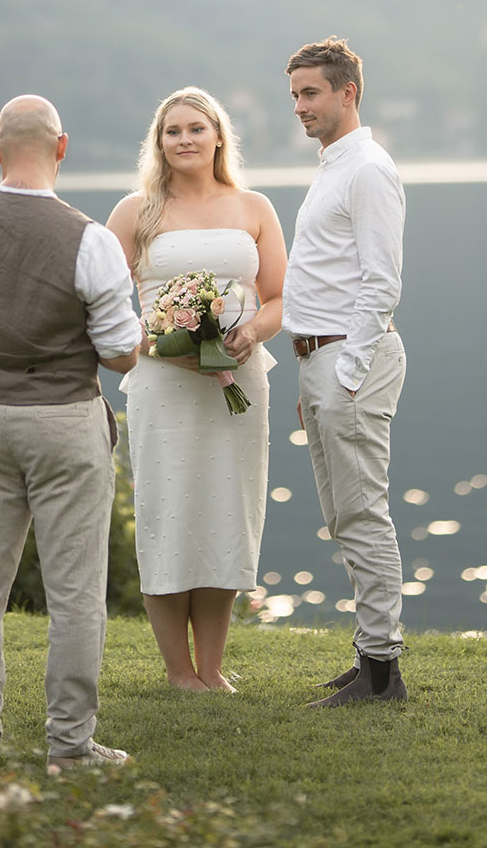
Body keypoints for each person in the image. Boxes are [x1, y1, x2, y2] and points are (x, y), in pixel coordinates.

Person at [0, 94, 142, 770]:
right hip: (65, 421)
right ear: (62, 148)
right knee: (74, 595)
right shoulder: (90, 239)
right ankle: (70, 747)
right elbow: (121, 353)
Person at [106, 87, 286, 692]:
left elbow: (280, 298)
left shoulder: (254, 206)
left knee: (225, 515)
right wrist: (162, 346)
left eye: (194, 128)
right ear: (157, 143)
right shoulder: (136, 212)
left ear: (217, 137)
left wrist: (251, 333)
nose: (183, 139)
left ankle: (213, 668)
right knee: (169, 517)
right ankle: (180, 672)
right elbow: (105, 306)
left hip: (238, 383)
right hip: (163, 386)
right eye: (171, 131)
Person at [282, 37, 408, 706]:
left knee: (362, 513)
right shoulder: (333, 166)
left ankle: (383, 674)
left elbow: (380, 283)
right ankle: (368, 655)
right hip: (321, 359)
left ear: (347, 93)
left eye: (311, 93)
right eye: (295, 94)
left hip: (351, 359)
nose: (300, 106)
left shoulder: (368, 169)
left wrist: (347, 375)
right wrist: (315, 377)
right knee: (342, 516)